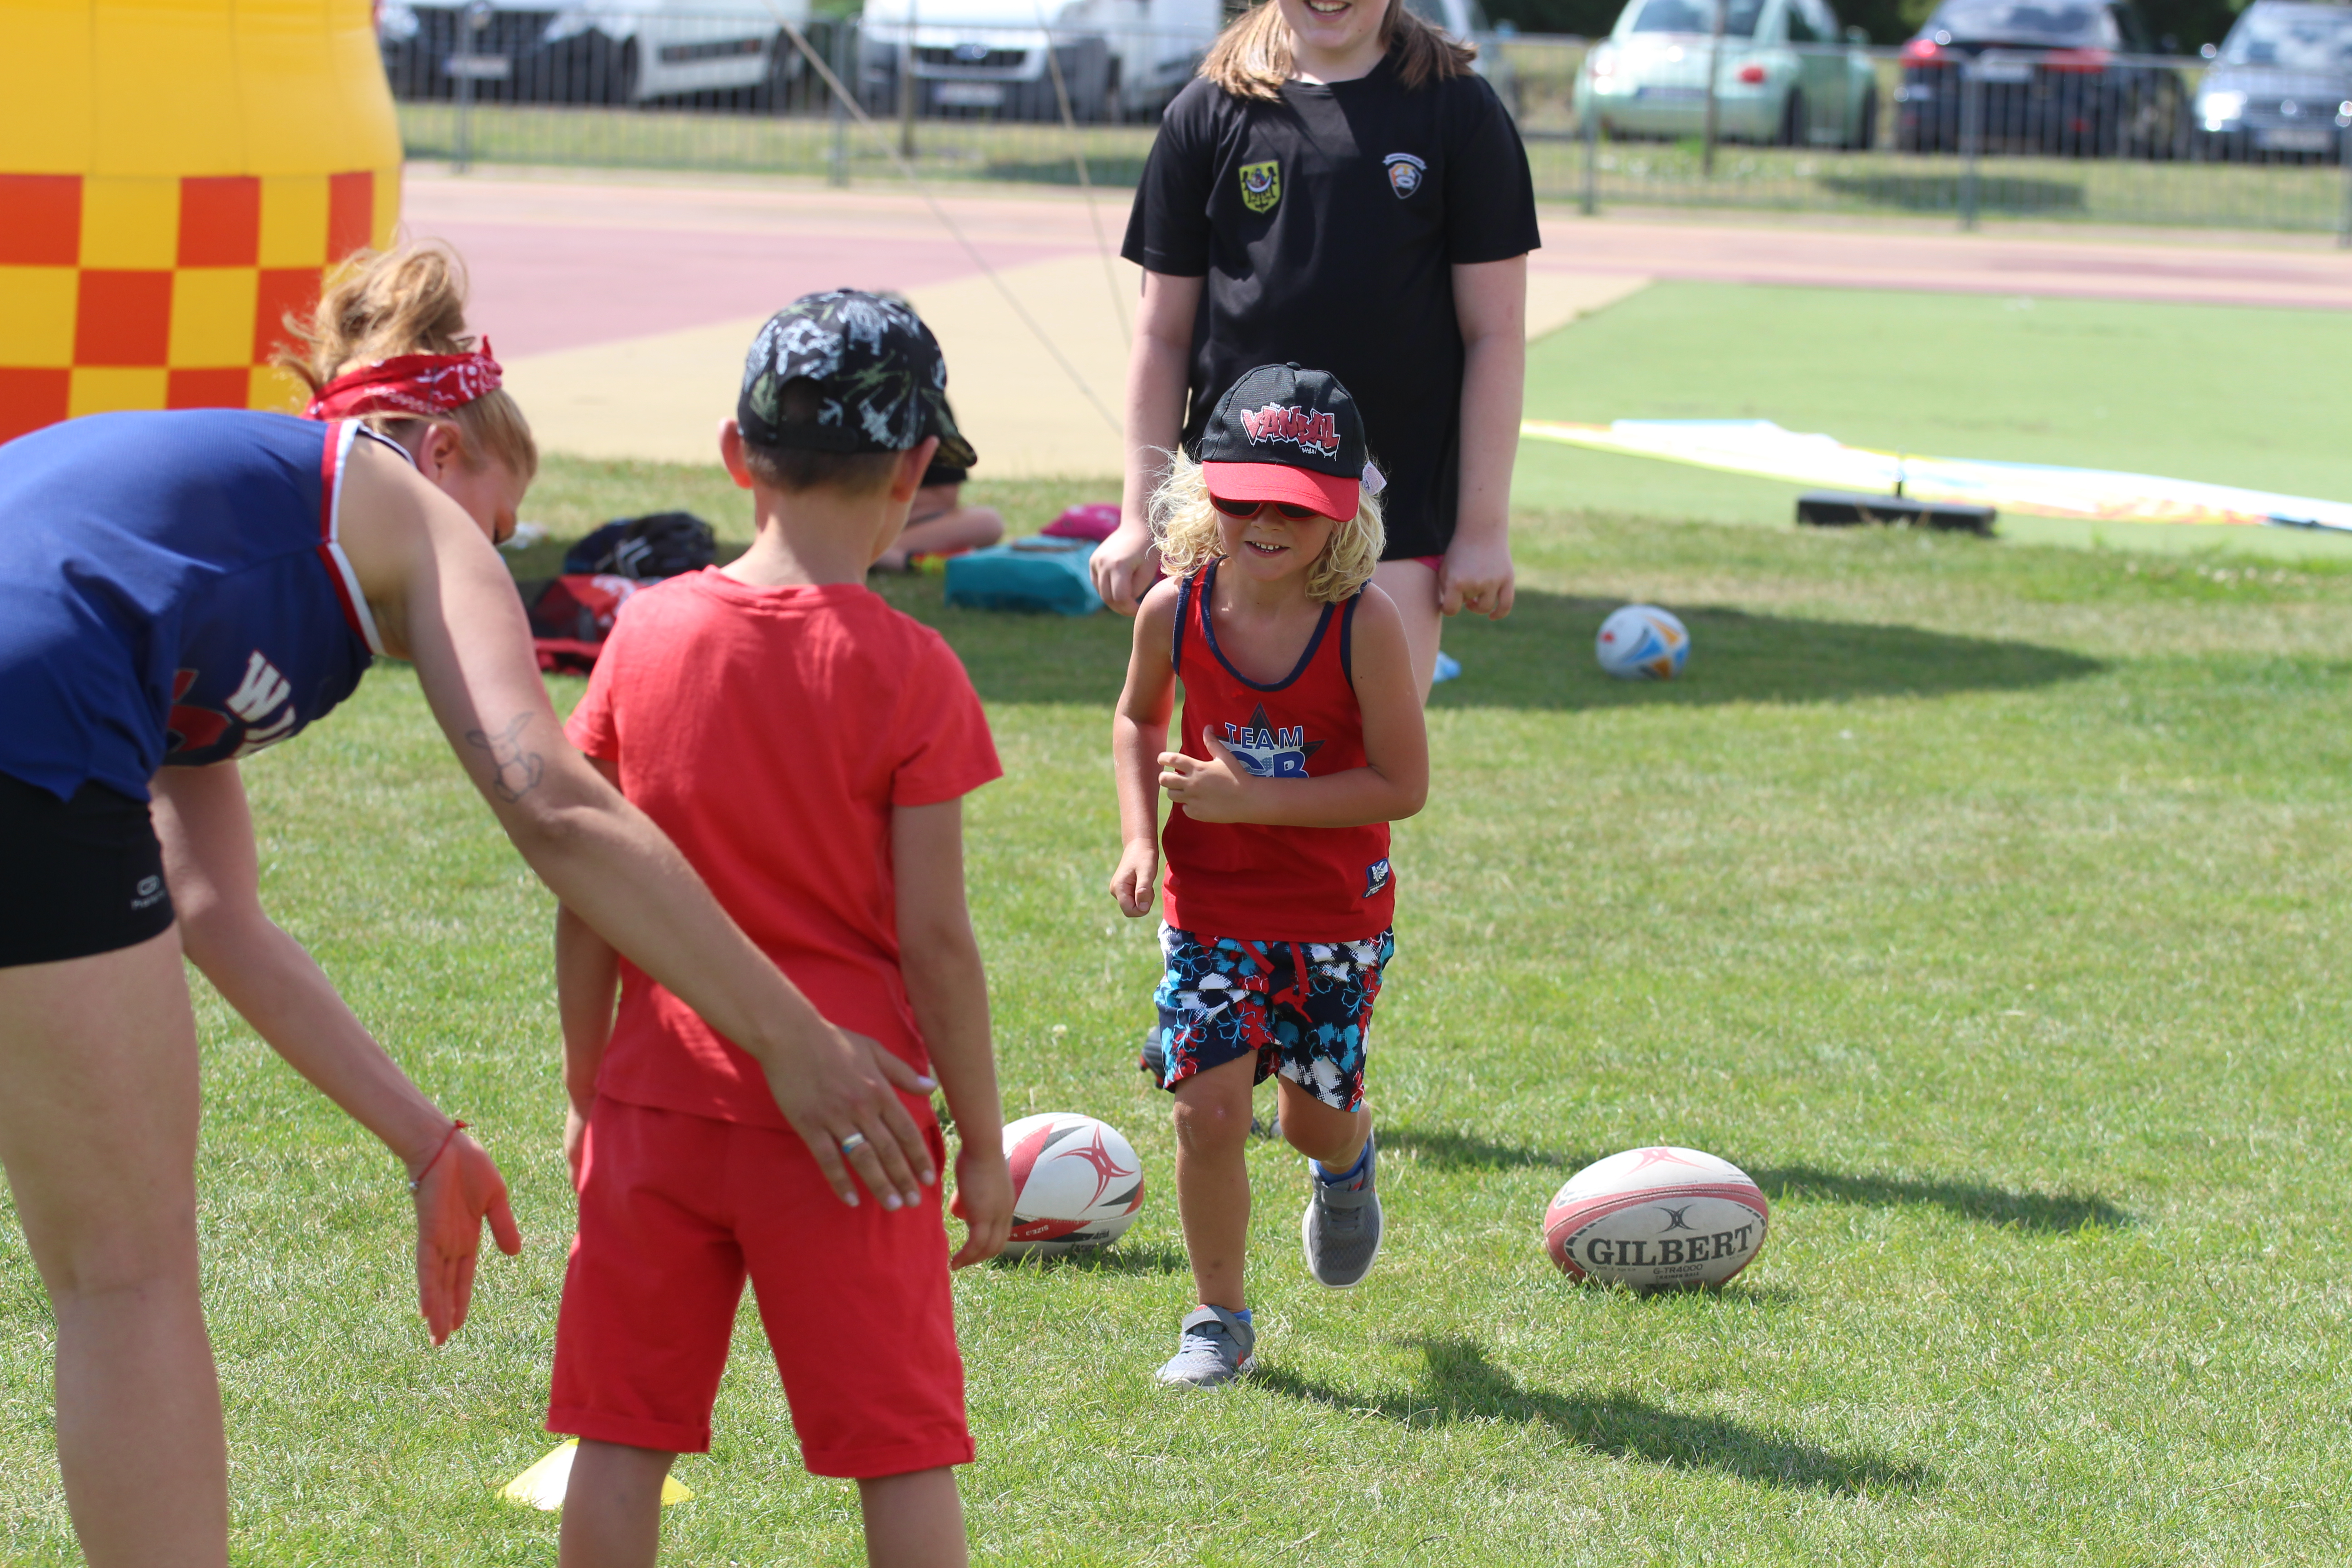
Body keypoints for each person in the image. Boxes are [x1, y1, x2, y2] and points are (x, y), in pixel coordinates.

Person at [0, 249, 938, 1568]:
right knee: (124, 1276)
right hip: (32, 705)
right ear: (442, 456)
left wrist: (426, 1141)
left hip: (47, 698)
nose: (496, 565)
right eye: (503, 533)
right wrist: (795, 1039)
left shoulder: (216, 540)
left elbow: (216, 909)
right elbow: (549, 801)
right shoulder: (399, 510)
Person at [548, 289, 1013, 1568]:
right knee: (901, 1450)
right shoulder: (914, 669)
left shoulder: (639, 635)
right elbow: (937, 943)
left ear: (733, 454)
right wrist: (981, 1138)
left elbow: (589, 893)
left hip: (658, 1105)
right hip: (857, 1125)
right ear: (919, 469)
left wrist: (592, 1083)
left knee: (618, 1437)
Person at [1108, 364, 1428, 1387]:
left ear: (1343, 515)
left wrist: (1254, 800)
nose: (1267, 519)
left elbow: (1401, 785)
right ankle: (1220, 1321)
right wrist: (1140, 839)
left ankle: (1345, 1162)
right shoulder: (1173, 609)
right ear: (1208, 491)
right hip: (1214, 909)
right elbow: (1135, 718)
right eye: (1244, 493)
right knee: (1206, 1111)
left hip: (1334, 915)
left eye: (1297, 503)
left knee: (1307, 1118)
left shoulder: (1365, 624)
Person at [1093, 0, 1542, 697]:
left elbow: (1496, 335)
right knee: (1228, 763)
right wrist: (1137, 517)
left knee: (1364, 773)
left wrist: (1482, 530)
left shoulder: (1460, 112)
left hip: (1393, 518)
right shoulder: (1207, 111)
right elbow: (1162, 334)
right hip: (1233, 510)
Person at [872, 448, 1005, 573]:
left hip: (891, 528)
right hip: (868, 524)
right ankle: (891, 558)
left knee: (987, 522)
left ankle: (880, 555)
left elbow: (944, 497)